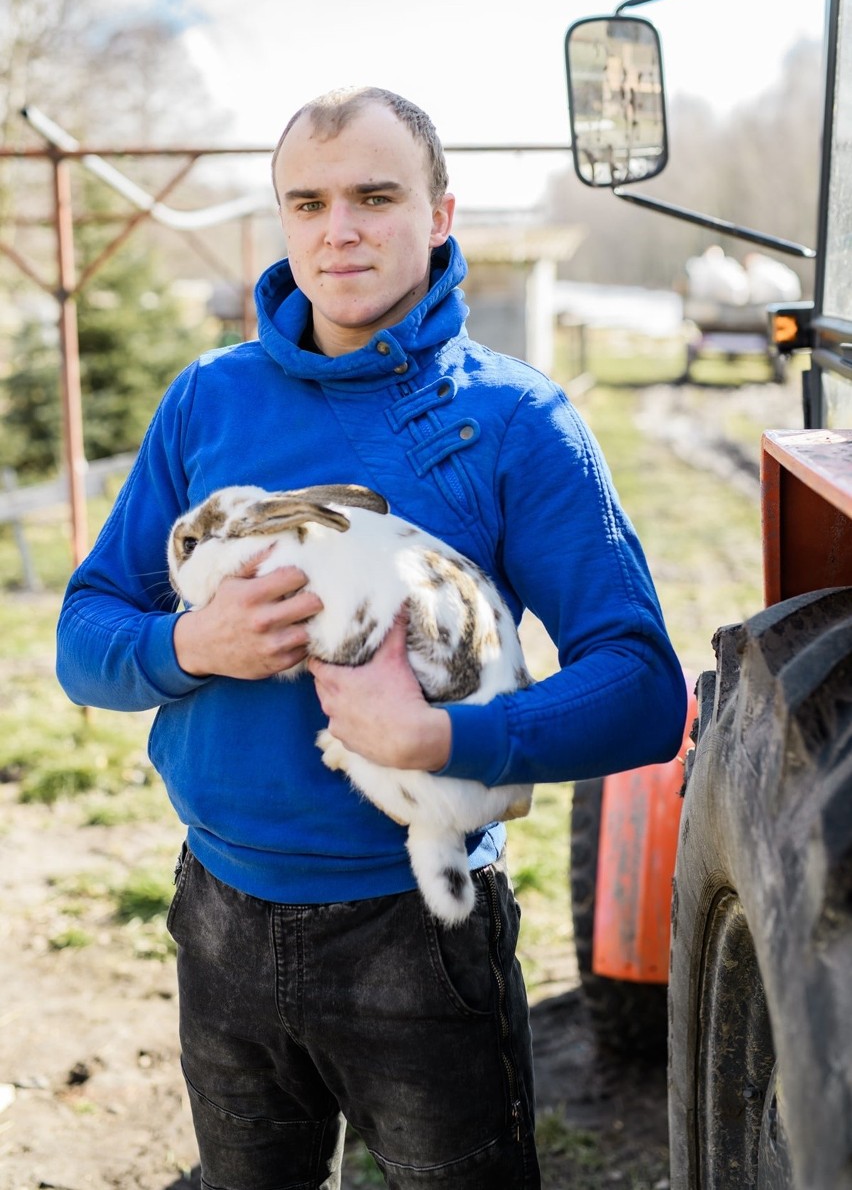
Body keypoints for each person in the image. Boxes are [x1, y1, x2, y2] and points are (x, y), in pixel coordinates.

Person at [56, 86, 687, 1190]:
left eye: (374, 196)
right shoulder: (207, 400)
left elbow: (640, 687)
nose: (337, 229)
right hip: (219, 916)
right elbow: (82, 633)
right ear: (282, 220)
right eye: (307, 202)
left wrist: (439, 738)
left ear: (442, 213)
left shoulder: (516, 421)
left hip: (419, 938)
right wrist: (191, 646)